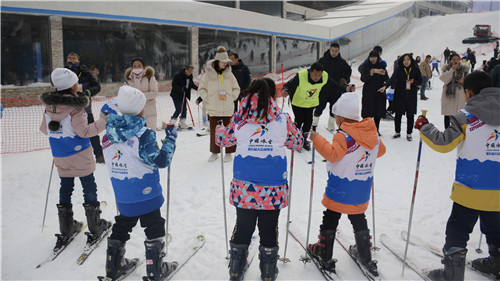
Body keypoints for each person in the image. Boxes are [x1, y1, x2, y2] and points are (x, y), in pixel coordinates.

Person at [414, 71, 500, 281]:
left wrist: (425, 127)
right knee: (496, 227)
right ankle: (497, 263)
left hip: (469, 189)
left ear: (469, 93)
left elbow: (443, 143)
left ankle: (452, 271)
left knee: (458, 227)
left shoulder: (465, 117)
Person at [215, 79, 303, 281]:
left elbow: (223, 140)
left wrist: (220, 130)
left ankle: (236, 268)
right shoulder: (282, 118)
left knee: (244, 225)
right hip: (273, 189)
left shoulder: (240, 118)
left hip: (245, 187)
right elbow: (297, 143)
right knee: (269, 227)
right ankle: (268, 272)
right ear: (271, 96)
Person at [101, 85, 178, 280]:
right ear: (140, 109)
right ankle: (155, 269)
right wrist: (170, 139)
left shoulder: (107, 134)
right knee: (153, 224)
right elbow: (161, 161)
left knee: (123, 223)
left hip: (123, 193)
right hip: (146, 191)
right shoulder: (144, 134)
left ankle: (113, 267)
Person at [307, 92, 386, 277]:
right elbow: (380, 151)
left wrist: (316, 138)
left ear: (341, 116)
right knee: (358, 218)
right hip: (360, 189)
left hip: (340, 189)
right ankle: (365, 255)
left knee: (331, 217)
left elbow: (332, 154)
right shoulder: (371, 134)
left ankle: (324, 254)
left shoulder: (343, 136)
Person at [39, 68, 111, 252]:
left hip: (61, 154)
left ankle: (66, 227)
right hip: (79, 153)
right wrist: (103, 121)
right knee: (88, 184)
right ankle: (95, 226)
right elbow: (84, 131)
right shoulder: (76, 107)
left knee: (66, 185)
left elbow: (45, 129)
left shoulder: (49, 106)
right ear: (72, 86)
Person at [281, 62, 354, 151]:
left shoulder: (324, 76)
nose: (317, 77)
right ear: (310, 72)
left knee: (308, 121)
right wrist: (285, 90)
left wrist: (346, 88)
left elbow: (335, 85)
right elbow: (289, 84)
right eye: (315, 75)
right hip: (298, 102)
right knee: (299, 120)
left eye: (319, 75)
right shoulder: (301, 75)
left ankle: (304, 140)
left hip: (310, 103)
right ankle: (296, 139)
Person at [198, 46, 240, 162]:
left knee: (229, 131)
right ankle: (214, 152)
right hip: (213, 107)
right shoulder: (208, 75)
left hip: (227, 108)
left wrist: (232, 97)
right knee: (214, 132)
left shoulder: (230, 75)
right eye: (224, 62)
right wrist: (208, 98)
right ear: (217, 61)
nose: (226, 64)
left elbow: (236, 88)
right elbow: (201, 89)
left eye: (227, 62)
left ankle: (229, 153)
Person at [66, 52, 104, 163]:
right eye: (69, 58)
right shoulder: (64, 73)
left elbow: (97, 86)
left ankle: (99, 155)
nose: (72, 60)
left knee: (92, 133)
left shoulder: (85, 73)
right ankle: (72, 158)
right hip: (68, 110)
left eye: (74, 58)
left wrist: (88, 91)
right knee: (71, 134)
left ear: (78, 60)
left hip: (85, 109)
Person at [379, 53, 422, 141]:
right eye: (404, 60)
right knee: (398, 114)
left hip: (411, 96)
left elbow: (420, 81)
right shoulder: (399, 69)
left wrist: (413, 81)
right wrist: (385, 86)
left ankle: (409, 133)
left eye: (408, 60)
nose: (406, 62)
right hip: (400, 95)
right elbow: (392, 79)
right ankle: (397, 132)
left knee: (410, 115)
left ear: (411, 60)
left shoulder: (415, 69)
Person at [314, 42, 352, 132]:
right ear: (329, 49)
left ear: (338, 51)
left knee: (334, 108)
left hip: (336, 90)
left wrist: (345, 80)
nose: (334, 52)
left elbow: (348, 71)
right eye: (332, 50)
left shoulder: (342, 62)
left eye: (336, 51)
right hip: (323, 89)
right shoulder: (322, 60)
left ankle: (331, 125)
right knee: (320, 107)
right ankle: (314, 123)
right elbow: (315, 70)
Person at [124, 57, 159, 130]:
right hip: (134, 111)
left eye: (139, 65)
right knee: (136, 136)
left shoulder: (150, 77)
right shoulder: (128, 79)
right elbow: (126, 94)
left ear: (143, 67)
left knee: (150, 134)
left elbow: (154, 93)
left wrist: (140, 96)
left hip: (149, 111)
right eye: (135, 66)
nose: (137, 67)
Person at [360, 50, 389, 134]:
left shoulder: (382, 66)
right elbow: (363, 79)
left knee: (378, 112)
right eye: (371, 57)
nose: (373, 59)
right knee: (367, 111)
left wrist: (384, 74)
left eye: (374, 57)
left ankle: (376, 130)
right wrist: (370, 73)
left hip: (379, 92)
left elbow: (387, 79)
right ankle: (366, 129)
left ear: (378, 58)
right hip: (368, 92)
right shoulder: (366, 66)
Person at [440, 53, 469, 129]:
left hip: (460, 94)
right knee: (448, 114)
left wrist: (463, 82)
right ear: (450, 61)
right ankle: (447, 131)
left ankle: (458, 132)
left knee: (459, 115)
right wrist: (452, 70)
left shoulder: (464, 70)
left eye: (457, 59)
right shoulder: (446, 69)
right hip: (448, 94)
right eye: (453, 59)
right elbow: (444, 79)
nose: (455, 61)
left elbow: (469, 81)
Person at [170, 65, 198, 129]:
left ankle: (182, 123)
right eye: (189, 71)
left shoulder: (190, 76)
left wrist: (197, 88)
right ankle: (172, 123)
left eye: (191, 72)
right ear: (186, 69)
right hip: (176, 95)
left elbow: (191, 84)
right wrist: (182, 89)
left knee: (184, 109)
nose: (190, 73)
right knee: (179, 109)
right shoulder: (178, 75)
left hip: (184, 95)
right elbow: (174, 85)